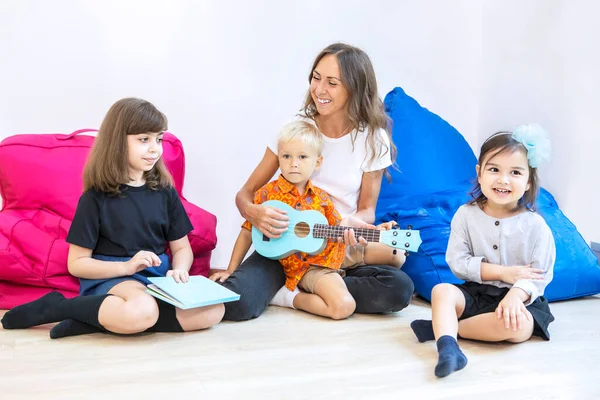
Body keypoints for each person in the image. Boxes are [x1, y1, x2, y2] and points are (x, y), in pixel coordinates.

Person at [219, 42, 415, 321]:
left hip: (336, 242)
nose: (319, 90)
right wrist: (255, 213)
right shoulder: (295, 130)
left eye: (332, 83)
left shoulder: (373, 139)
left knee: (400, 289)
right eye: (316, 78)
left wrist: (350, 224)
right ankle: (291, 292)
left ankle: (316, 286)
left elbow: (367, 209)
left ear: (355, 89)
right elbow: (245, 194)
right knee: (238, 304)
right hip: (284, 243)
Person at [1, 98, 224, 338]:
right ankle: (60, 307)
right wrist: (127, 266)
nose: (155, 148)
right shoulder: (95, 198)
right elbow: (76, 264)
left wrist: (179, 270)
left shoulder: (164, 191)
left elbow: (182, 248)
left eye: (158, 138)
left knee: (213, 311)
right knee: (142, 309)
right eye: (144, 139)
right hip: (116, 277)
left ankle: (97, 320)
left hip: (157, 279)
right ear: (117, 142)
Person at [211, 121, 402, 319]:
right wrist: (231, 270)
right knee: (344, 307)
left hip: (325, 257)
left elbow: (338, 229)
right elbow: (247, 231)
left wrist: (371, 230)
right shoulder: (268, 195)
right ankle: (290, 297)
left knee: (397, 254)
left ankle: (324, 286)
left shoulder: (321, 199)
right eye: (286, 156)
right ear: (279, 159)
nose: (294, 163)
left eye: (302, 157)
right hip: (299, 267)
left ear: (317, 162)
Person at [410, 124, 555, 378]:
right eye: (494, 169)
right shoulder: (466, 216)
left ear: (528, 180)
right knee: (441, 291)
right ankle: (449, 349)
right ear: (479, 173)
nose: (503, 179)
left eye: (515, 172)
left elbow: (540, 274)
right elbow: (457, 262)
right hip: (476, 293)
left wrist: (515, 295)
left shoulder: (535, 226)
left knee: (516, 327)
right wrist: (502, 272)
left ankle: (446, 328)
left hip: (520, 301)